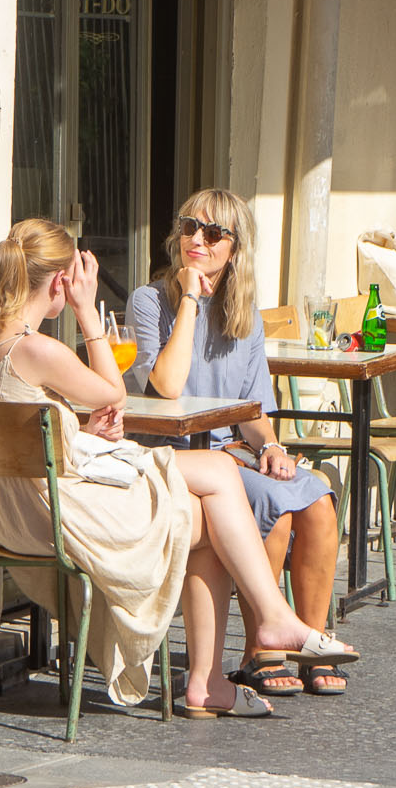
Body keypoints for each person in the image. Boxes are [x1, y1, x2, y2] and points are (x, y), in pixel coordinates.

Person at [0, 219, 353, 720]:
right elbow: (115, 391)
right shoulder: (38, 349)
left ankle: (265, 628)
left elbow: (19, 426)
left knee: (215, 479)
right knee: (213, 509)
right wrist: (87, 315)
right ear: (61, 282)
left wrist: (76, 434)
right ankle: (224, 666)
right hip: (58, 517)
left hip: (8, 513)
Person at [128, 190, 348, 696]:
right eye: (189, 228)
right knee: (273, 505)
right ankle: (260, 651)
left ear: (235, 248)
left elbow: (255, 411)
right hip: (173, 453)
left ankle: (308, 644)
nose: (196, 241)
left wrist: (270, 446)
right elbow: (166, 385)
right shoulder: (151, 300)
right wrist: (189, 298)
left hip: (229, 451)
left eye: (212, 234)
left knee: (316, 497)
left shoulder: (243, 313)